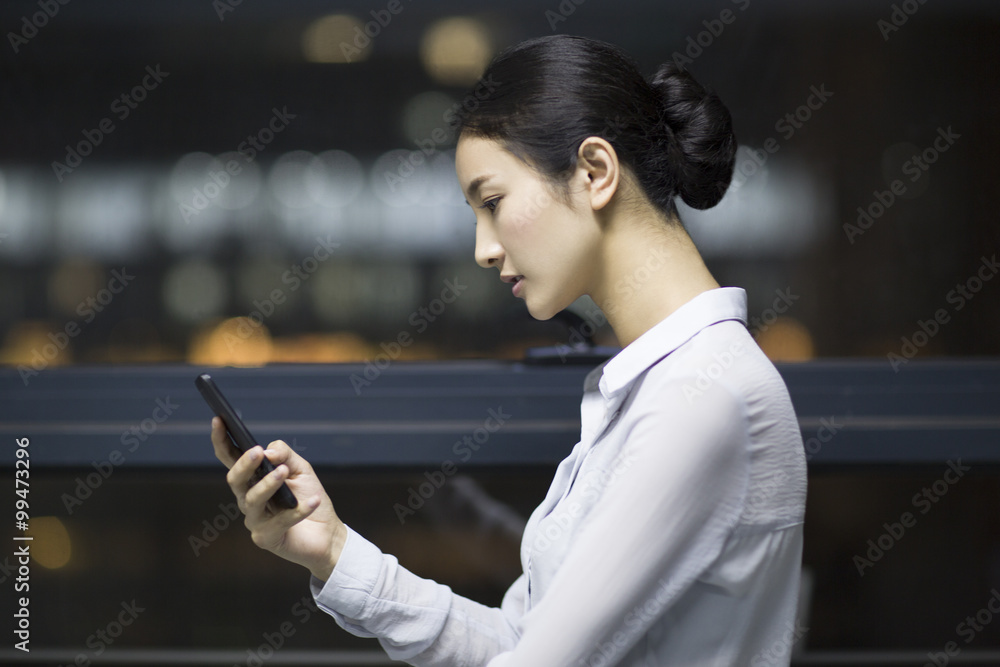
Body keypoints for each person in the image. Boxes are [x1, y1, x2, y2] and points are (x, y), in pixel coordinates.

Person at [211, 34, 808, 666]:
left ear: (595, 172)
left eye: (492, 203)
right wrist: (331, 549)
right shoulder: (661, 388)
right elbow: (520, 642)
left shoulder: (703, 397)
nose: (483, 248)